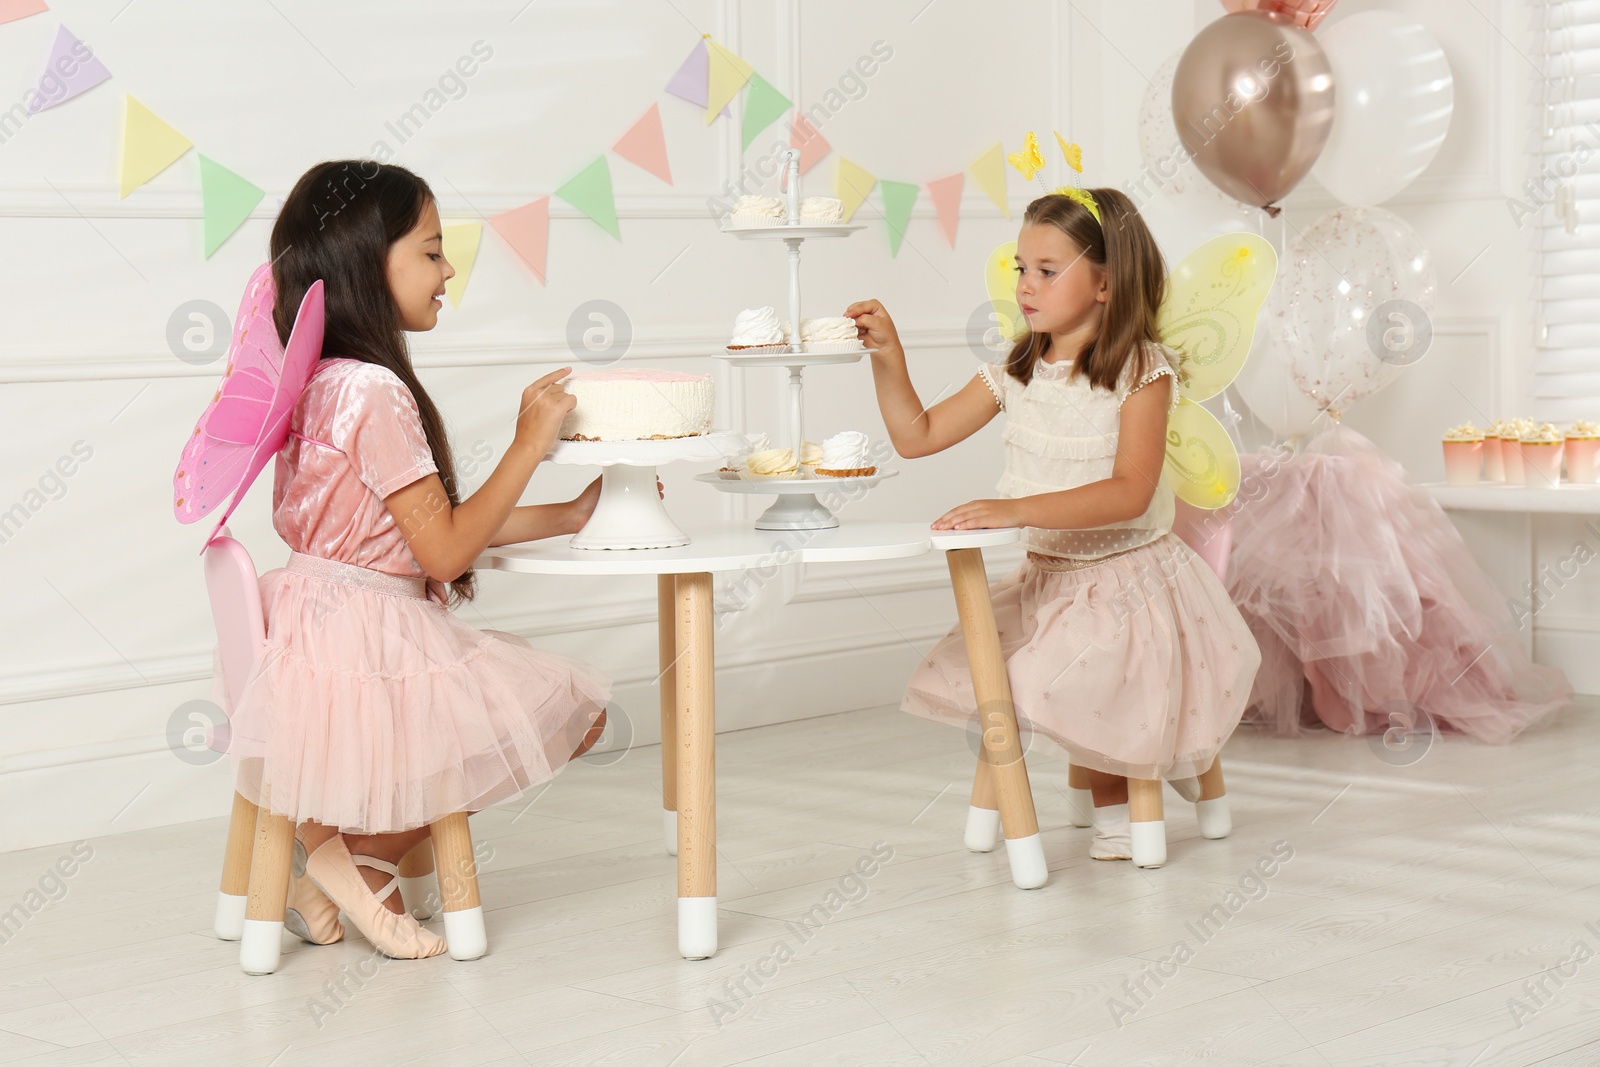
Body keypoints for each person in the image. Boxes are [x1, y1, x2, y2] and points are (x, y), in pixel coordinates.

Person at [222, 160, 611, 956]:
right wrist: (528, 445)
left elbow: (416, 527)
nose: (449, 270)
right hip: (370, 636)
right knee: (579, 709)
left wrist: (569, 513)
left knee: (491, 726)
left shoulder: (318, 382)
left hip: (310, 624)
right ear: (371, 261)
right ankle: (354, 862)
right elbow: (445, 547)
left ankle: (339, 859)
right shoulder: (375, 391)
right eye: (432, 251)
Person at [847, 187, 1261, 860]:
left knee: (1065, 676)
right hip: (1050, 581)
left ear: (1104, 283)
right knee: (989, 676)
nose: (1025, 285)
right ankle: (1125, 778)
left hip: (1128, 582)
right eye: (1020, 268)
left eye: (1047, 269)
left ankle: (1124, 799)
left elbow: (1130, 491)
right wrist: (888, 356)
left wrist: (1014, 509)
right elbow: (917, 435)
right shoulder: (1013, 370)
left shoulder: (1140, 370)